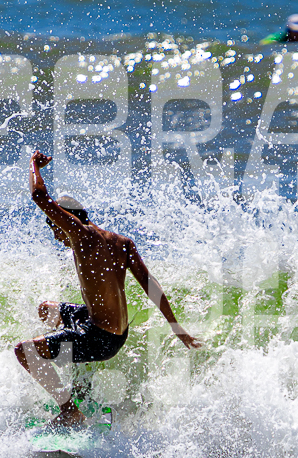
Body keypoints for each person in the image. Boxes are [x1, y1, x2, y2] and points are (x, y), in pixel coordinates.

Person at [14, 150, 201, 427]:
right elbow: (150, 285)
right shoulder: (122, 242)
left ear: (67, 221)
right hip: (115, 332)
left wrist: (34, 165)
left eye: (55, 228)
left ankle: (69, 410)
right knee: (47, 311)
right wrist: (176, 327)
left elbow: (39, 196)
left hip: (100, 339)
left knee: (24, 351)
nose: (55, 235)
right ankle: (81, 387)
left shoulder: (80, 234)